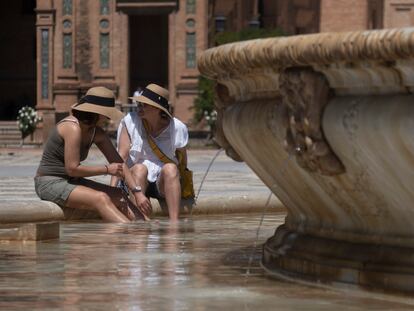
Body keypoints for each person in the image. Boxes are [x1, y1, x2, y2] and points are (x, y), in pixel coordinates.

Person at [34, 86, 151, 223]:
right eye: (107, 114)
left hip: (72, 181)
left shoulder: (96, 132)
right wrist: (107, 169)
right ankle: (126, 233)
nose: (109, 119)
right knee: (101, 198)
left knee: (119, 195)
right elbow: (72, 169)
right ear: (96, 113)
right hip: (49, 182)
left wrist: (138, 193)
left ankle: (144, 228)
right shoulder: (72, 127)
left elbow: (120, 165)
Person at [111, 83, 189, 221]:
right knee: (140, 168)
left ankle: (174, 225)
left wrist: (185, 184)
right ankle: (140, 224)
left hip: (163, 183)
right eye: (139, 103)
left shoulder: (177, 127)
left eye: (144, 104)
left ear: (158, 109)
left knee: (171, 168)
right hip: (136, 181)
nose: (139, 107)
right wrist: (111, 189)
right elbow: (121, 157)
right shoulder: (130, 121)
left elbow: (182, 160)